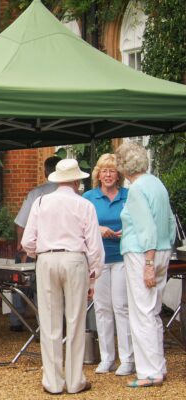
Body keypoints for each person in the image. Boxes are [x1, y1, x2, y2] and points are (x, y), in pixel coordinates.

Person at [21, 158, 104, 395]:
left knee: (49, 323)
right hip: (75, 259)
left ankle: (53, 383)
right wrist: (93, 277)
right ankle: (75, 381)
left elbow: (27, 241)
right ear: (77, 180)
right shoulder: (84, 205)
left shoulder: (41, 202)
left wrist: (39, 252)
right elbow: (95, 247)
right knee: (76, 321)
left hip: (46, 259)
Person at [115, 141, 176, 388]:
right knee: (153, 311)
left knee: (142, 313)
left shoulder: (137, 189)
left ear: (124, 166)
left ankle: (150, 372)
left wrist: (149, 262)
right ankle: (157, 366)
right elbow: (170, 223)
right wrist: (162, 252)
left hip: (143, 254)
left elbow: (146, 228)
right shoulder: (157, 183)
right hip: (161, 250)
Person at [82, 154, 134, 376]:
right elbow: (81, 228)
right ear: (98, 174)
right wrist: (99, 230)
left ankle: (127, 359)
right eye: (104, 170)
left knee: (121, 307)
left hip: (123, 257)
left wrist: (128, 231)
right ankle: (107, 358)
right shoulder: (88, 197)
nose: (108, 174)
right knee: (102, 309)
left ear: (119, 174)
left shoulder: (128, 196)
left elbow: (138, 222)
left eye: (112, 170)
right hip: (99, 259)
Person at [10, 155, 60, 331]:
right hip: (65, 250)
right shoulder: (75, 194)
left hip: (39, 249)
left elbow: (21, 223)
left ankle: (18, 321)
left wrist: (20, 245)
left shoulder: (36, 194)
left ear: (45, 172)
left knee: (31, 284)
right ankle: (55, 327)